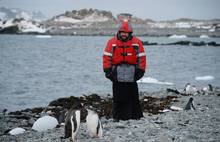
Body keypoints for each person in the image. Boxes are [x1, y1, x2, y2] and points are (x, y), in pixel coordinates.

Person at [103, 20, 147, 121]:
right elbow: (106, 57)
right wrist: (107, 71)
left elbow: (142, 57)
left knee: (133, 96)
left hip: (132, 73)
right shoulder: (111, 42)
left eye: (126, 33)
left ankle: (136, 116)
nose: (124, 34)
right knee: (118, 97)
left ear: (129, 33)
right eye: (122, 32)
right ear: (119, 32)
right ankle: (117, 117)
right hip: (116, 73)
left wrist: (140, 71)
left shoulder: (137, 42)